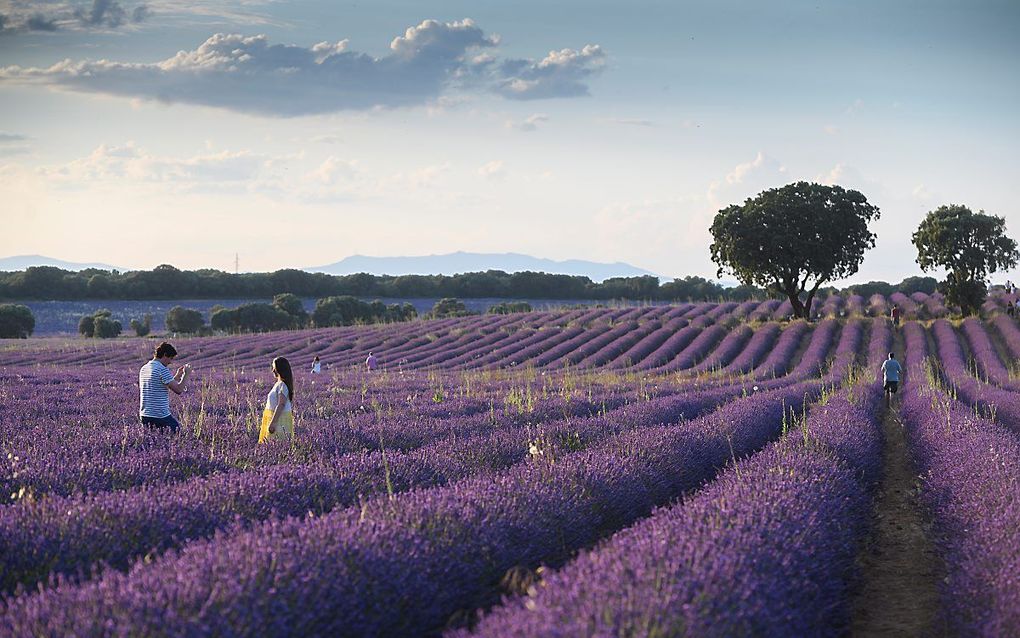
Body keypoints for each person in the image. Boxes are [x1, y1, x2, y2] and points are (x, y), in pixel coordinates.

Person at [139, 341, 189, 433]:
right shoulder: (162, 369)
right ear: (165, 355)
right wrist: (187, 374)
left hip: (145, 415)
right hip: (159, 416)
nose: (170, 362)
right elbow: (178, 390)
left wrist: (177, 376)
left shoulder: (144, 368)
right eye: (170, 358)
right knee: (177, 433)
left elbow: (160, 386)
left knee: (153, 443)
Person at [259, 357, 295, 444]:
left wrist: (273, 423)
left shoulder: (282, 385)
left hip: (279, 420)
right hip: (276, 418)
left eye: (274, 368)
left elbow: (281, 404)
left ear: (280, 369)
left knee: (275, 443)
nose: (272, 370)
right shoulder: (279, 384)